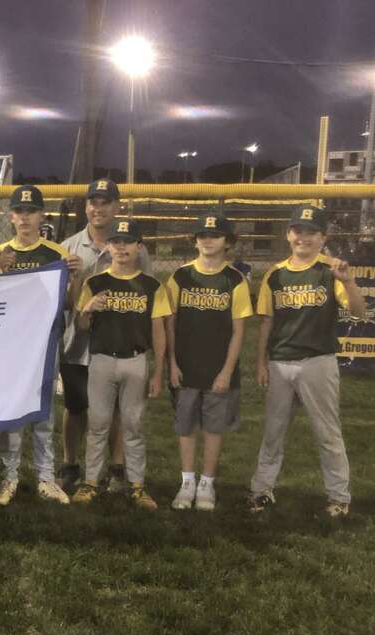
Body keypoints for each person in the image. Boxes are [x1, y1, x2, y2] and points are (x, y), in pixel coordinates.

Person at [248, 205, 366, 518]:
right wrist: (261, 363)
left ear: (323, 237)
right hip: (280, 362)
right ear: (289, 234)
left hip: (318, 361)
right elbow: (266, 323)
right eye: (298, 230)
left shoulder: (331, 269)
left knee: (327, 432)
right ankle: (261, 491)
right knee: (273, 431)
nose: (304, 237)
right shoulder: (275, 274)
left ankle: (339, 497)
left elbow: (358, 313)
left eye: (311, 231)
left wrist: (350, 282)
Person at [60, 179, 152, 494]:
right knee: (75, 408)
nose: (98, 208)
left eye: (105, 202)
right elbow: (65, 304)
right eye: (93, 202)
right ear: (85, 206)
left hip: (117, 344)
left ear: (116, 207)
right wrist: (73, 277)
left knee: (114, 412)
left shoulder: (135, 247)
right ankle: (71, 465)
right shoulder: (70, 246)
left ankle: (115, 468)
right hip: (78, 343)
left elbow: (146, 295)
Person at [71, 219, 170, 510]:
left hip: (136, 360)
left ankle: (137, 485)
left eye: (128, 241)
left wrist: (158, 371)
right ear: (108, 246)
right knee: (99, 423)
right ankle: (90, 482)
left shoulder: (151, 285)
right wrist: (87, 310)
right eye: (116, 241)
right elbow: (81, 327)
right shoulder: (95, 282)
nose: (122, 247)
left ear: (139, 247)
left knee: (134, 424)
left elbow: (158, 331)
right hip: (101, 359)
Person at [0, 184, 71, 506]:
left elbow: (66, 301)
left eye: (31, 211)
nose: (25, 218)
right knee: (12, 413)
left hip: (44, 343)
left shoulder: (56, 254)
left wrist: (73, 277)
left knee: (43, 414)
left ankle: (45, 477)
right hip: (11, 345)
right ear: (11, 215)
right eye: (19, 211)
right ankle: (9, 476)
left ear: (41, 215)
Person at [166, 211, 253, 511]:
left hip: (219, 368)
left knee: (214, 427)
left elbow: (239, 331)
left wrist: (227, 371)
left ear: (227, 242)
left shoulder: (235, 280)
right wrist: (172, 364)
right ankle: (187, 480)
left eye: (214, 236)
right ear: (195, 241)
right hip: (186, 366)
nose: (208, 240)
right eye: (202, 235)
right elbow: (170, 325)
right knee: (186, 425)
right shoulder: (180, 276)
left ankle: (207, 483)